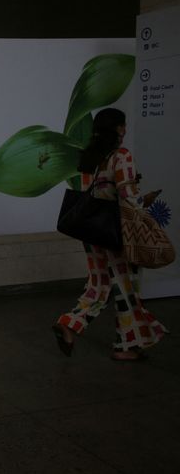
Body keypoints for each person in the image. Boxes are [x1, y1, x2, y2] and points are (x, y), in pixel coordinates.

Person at [52, 108, 166, 361]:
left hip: (92, 230)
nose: (124, 130)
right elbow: (127, 197)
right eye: (121, 126)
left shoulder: (91, 158)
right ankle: (125, 345)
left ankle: (70, 323)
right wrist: (144, 209)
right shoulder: (121, 156)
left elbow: (94, 194)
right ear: (116, 129)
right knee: (127, 287)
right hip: (117, 232)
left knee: (99, 284)